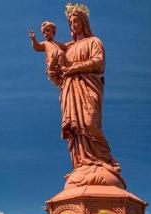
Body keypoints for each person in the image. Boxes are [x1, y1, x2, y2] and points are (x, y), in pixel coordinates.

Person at [54, 3, 125, 189]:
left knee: (89, 121)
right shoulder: (67, 49)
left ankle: (105, 161)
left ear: (84, 22)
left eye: (76, 21)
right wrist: (55, 68)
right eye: (70, 22)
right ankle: (82, 164)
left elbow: (99, 63)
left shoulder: (94, 41)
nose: (72, 25)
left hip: (88, 88)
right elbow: (58, 77)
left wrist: (73, 68)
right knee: (76, 130)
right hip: (70, 91)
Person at [29, 21, 67, 85]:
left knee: (61, 53)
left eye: (48, 31)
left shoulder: (58, 44)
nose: (46, 33)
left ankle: (62, 68)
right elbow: (37, 47)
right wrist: (33, 39)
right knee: (60, 52)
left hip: (59, 62)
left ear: (53, 32)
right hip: (52, 61)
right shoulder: (45, 43)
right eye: (44, 32)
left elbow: (66, 47)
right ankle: (63, 68)